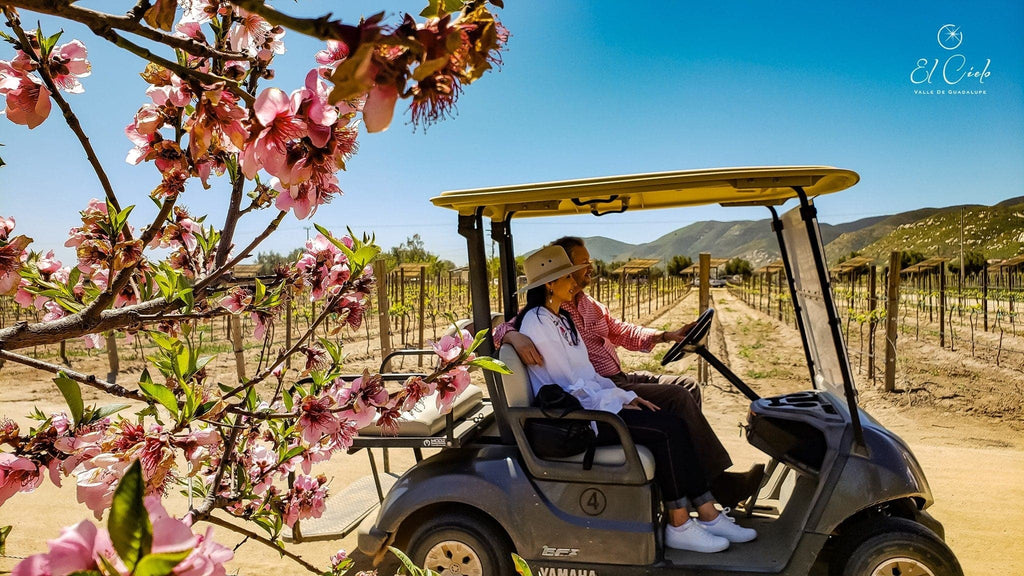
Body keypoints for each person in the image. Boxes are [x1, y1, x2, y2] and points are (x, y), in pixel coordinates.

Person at [513, 245, 756, 553]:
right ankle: (681, 522)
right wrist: (617, 401)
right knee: (668, 428)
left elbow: (590, 375)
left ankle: (707, 512)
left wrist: (624, 396)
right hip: (576, 419)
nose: (575, 280)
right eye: (566, 276)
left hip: (597, 402)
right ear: (549, 283)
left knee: (673, 417)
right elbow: (570, 386)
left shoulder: (562, 318)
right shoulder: (536, 322)